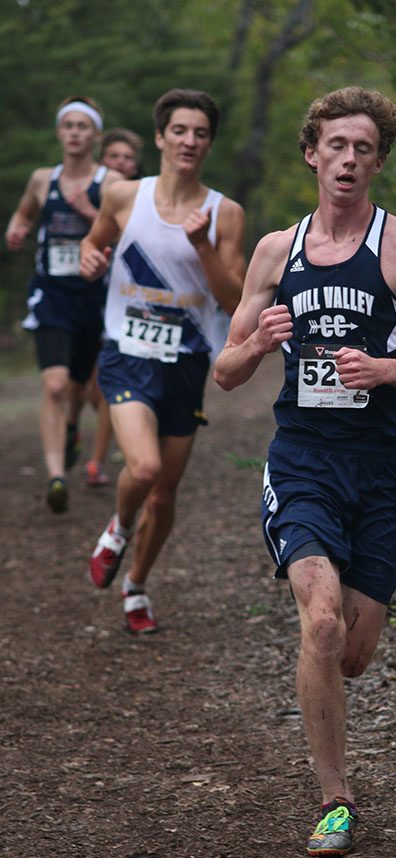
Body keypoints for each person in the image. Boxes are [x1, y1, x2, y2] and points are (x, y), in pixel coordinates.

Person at [213, 86, 396, 857]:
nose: (349, 159)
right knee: (319, 620)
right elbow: (224, 371)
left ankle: (331, 691)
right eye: (336, 146)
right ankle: (336, 798)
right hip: (303, 462)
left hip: (385, 471)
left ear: (378, 160)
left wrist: (384, 372)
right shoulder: (273, 251)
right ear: (312, 154)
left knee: (351, 651)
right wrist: (257, 345)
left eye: (363, 148)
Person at [80, 88, 245, 635]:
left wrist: (201, 245)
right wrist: (89, 257)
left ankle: (136, 587)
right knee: (144, 469)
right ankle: (117, 530)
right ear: (160, 137)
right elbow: (94, 243)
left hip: (187, 360)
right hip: (126, 352)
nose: (189, 141)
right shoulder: (124, 196)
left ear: (209, 143)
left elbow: (234, 300)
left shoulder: (225, 213)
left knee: (165, 492)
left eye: (200, 133)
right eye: (180, 130)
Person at [5, 95, 121, 513]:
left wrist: (88, 210)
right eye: (68, 125)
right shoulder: (42, 179)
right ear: (60, 132)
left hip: (93, 297)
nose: (74, 132)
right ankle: (56, 476)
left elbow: (121, 235)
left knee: (77, 384)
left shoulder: (109, 183)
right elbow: (22, 215)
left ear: (94, 135)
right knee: (54, 385)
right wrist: (16, 231)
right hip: (51, 294)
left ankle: (72, 428)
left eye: (82, 126)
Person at [82, 127, 146, 487]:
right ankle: (100, 430)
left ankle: (97, 459)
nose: (121, 163)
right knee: (82, 387)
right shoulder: (85, 186)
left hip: (123, 302)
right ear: (102, 161)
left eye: (128, 158)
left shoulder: (140, 198)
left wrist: (84, 209)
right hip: (82, 296)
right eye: (114, 157)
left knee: (103, 384)